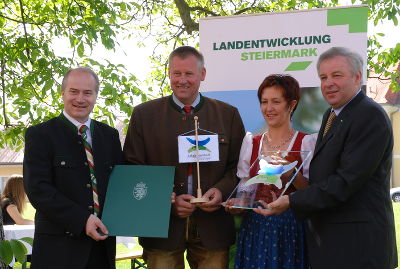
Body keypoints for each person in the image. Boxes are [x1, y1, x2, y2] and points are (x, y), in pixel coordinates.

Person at [258, 47, 398, 269]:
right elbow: (324, 174)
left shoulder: (369, 116)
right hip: (331, 243)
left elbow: (345, 182)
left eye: (337, 75)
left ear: (357, 77)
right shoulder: (332, 114)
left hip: (358, 247)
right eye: (323, 77)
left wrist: (291, 200)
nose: (328, 83)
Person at [123, 45, 245, 269]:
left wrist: (221, 191)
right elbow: (134, 169)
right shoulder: (144, 115)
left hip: (213, 226)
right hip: (162, 229)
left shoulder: (228, 114)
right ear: (169, 74)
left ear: (202, 74)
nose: (182, 80)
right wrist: (166, 202)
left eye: (189, 73)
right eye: (176, 73)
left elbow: (237, 167)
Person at [23, 67, 123, 269]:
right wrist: (82, 220)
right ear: (62, 94)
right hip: (58, 250)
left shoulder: (109, 136)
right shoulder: (40, 135)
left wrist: (157, 197)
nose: (80, 98)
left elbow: (122, 183)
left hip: (102, 249)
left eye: (88, 92)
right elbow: (38, 189)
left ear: (96, 96)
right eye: (74, 91)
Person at [224, 74, 316, 268]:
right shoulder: (252, 142)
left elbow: (312, 192)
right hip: (255, 228)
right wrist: (238, 204)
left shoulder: (306, 142)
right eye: (264, 102)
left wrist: (290, 174)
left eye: (276, 101)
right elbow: (245, 188)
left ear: (291, 105)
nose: (269, 108)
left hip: (290, 228)